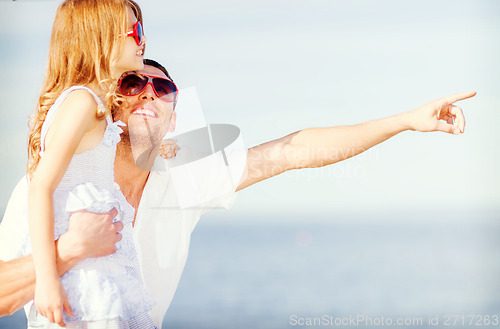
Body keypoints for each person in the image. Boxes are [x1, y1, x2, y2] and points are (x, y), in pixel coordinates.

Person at [0, 57, 476, 328]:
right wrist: (67, 251)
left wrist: (406, 121)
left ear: (174, 109)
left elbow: (295, 150)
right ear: (116, 103)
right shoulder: (50, 185)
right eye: (133, 82)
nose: (148, 92)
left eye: (161, 86)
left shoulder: (186, 177)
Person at [22, 0, 156, 328]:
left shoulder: (95, 106)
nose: (143, 41)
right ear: (100, 40)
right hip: (80, 278)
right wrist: (47, 280)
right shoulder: (81, 103)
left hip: (96, 266)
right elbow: (40, 189)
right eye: (135, 32)